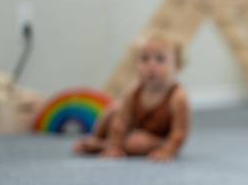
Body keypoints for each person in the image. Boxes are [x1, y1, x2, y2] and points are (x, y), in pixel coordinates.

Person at [74, 33, 190, 162]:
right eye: (144, 59)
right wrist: (115, 147)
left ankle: (101, 146)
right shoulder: (133, 91)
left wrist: (168, 151)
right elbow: (121, 121)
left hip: (157, 140)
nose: (151, 66)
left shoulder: (178, 97)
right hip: (133, 130)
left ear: (177, 66)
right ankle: (99, 139)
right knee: (114, 109)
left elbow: (179, 132)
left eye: (160, 59)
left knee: (136, 143)